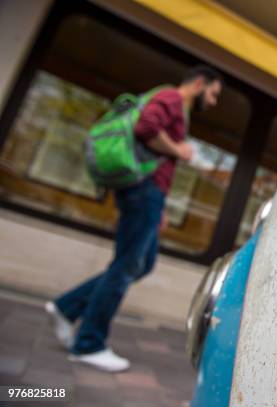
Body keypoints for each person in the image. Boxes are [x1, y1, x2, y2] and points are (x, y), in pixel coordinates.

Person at [44, 65, 223, 372]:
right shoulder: (170, 97)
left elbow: (155, 153)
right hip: (144, 191)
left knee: (143, 262)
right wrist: (179, 150)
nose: (214, 101)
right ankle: (89, 343)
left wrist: (161, 207)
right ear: (198, 84)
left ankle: (67, 306)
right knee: (126, 265)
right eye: (213, 93)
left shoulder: (176, 104)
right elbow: (146, 128)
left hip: (150, 195)